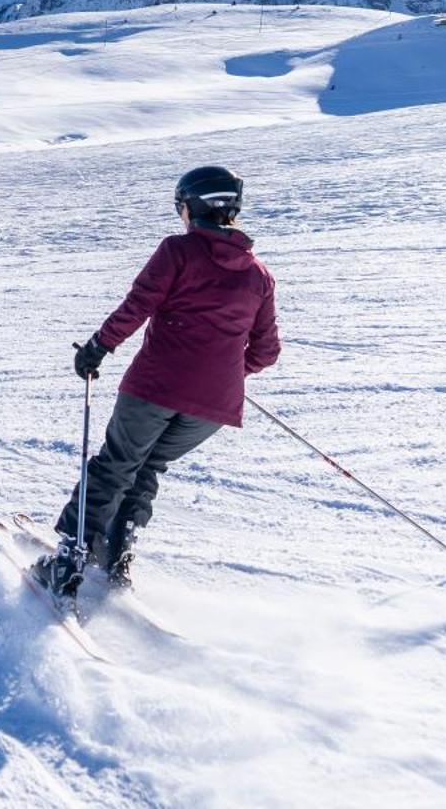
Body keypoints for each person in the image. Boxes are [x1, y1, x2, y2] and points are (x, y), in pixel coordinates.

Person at [42, 164, 279, 595]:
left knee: (115, 466)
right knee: (148, 467)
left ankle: (70, 560)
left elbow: (139, 305)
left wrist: (98, 347)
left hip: (155, 388)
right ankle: (117, 556)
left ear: (192, 208)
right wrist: (222, 371)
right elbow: (266, 352)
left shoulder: (179, 251)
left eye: (181, 208)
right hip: (213, 405)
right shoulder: (258, 274)